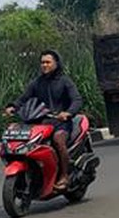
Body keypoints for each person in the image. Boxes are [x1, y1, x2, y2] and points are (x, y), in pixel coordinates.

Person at [6, 49, 83, 190]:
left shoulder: (65, 81)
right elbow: (24, 98)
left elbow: (77, 100)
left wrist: (68, 112)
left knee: (58, 141)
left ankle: (64, 175)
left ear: (56, 63)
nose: (44, 65)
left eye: (48, 62)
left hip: (61, 123)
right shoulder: (37, 82)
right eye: (42, 62)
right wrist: (13, 106)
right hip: (41, 122)